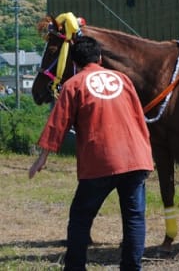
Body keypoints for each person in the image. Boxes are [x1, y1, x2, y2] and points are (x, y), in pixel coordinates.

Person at [29, 35, 154, 271]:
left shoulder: (74, 84)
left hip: (101, 160)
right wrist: (147, 155)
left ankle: (75, 267)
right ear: (100, 57)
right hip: (135, 158)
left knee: (81, 217)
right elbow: (139, 118)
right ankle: (131, 268)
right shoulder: (123, 79)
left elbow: (58, 123)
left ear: (75, 63)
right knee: (135, 218)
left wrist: (41, 158)